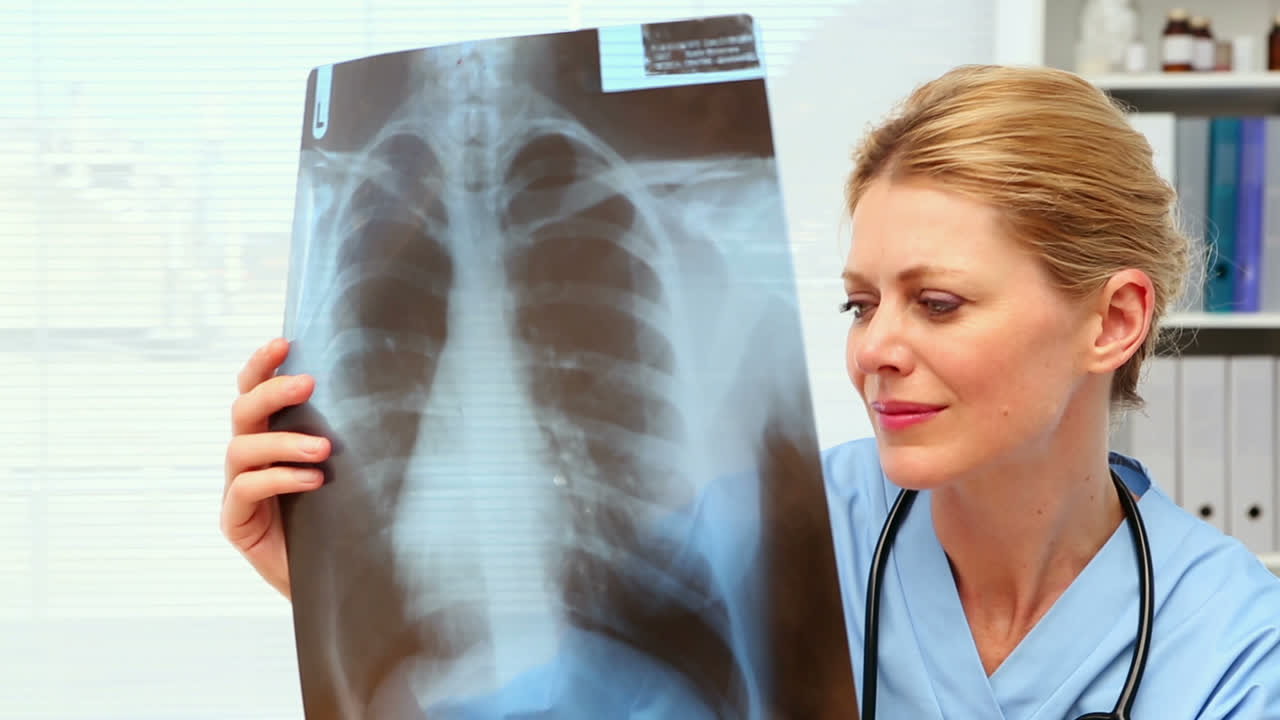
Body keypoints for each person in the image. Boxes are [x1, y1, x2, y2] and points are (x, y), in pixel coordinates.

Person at [222, 64, 1280, 718]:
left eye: (940, 304)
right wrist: (310, 585)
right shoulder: (761, 530)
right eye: (861, 305)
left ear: (1112, 320)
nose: (876, 352)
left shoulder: (1236, 646)